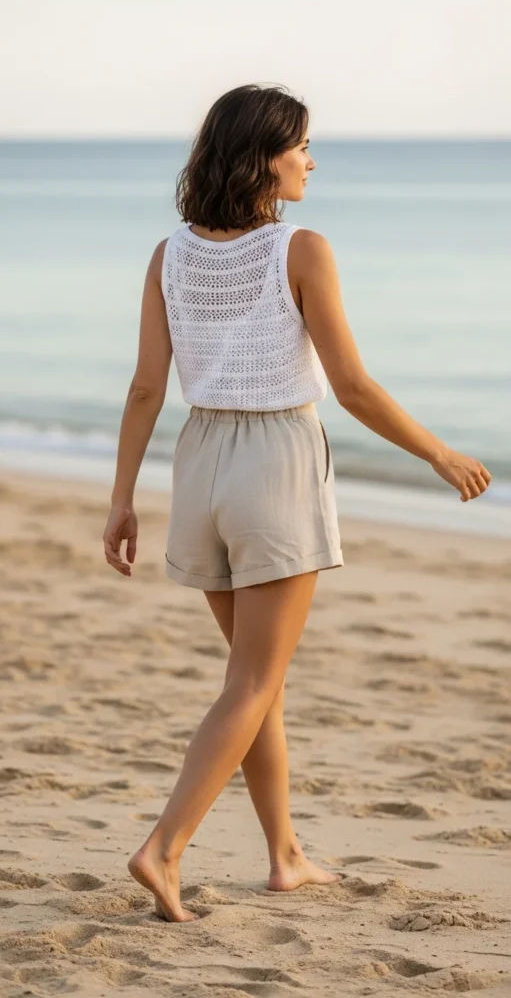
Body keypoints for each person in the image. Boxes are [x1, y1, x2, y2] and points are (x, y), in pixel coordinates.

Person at [103, 83, 492, 922]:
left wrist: (121, 499)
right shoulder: (302, 248)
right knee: (251, 684)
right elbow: (350, 387)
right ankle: (163, 849)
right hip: (275, 462)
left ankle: (284, 856)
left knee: (258, 683)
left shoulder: (168, 255)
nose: (311, 161)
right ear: (263, 157)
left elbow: (144, 389)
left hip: (198, 462)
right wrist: (439, 452)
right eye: (301, 147)